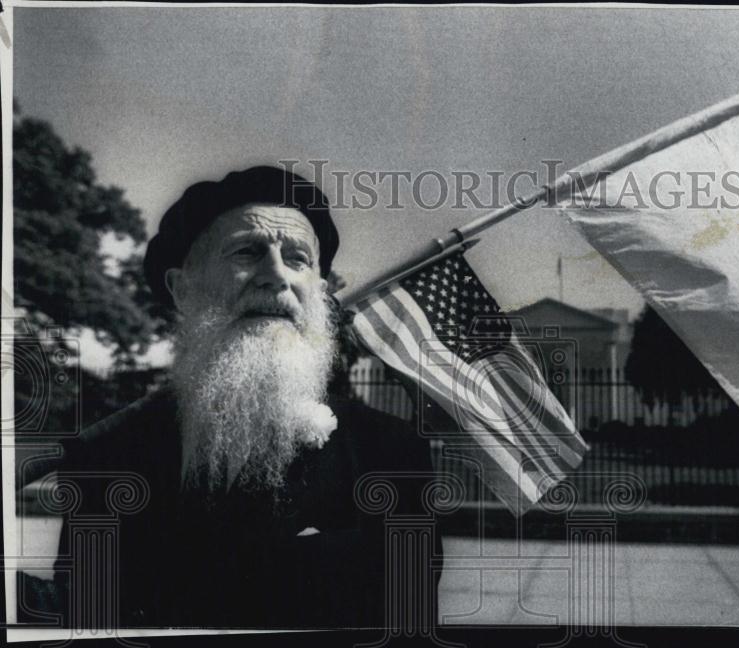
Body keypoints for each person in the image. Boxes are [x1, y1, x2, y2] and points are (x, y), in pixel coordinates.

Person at [44, 166, 441, 629]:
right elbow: (83, 617)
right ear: (182, 289)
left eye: (297, 260)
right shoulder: (109, 454)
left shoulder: (388, 450)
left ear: (321, 291)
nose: (275, 276)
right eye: (247, 252)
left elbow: (408, 624)